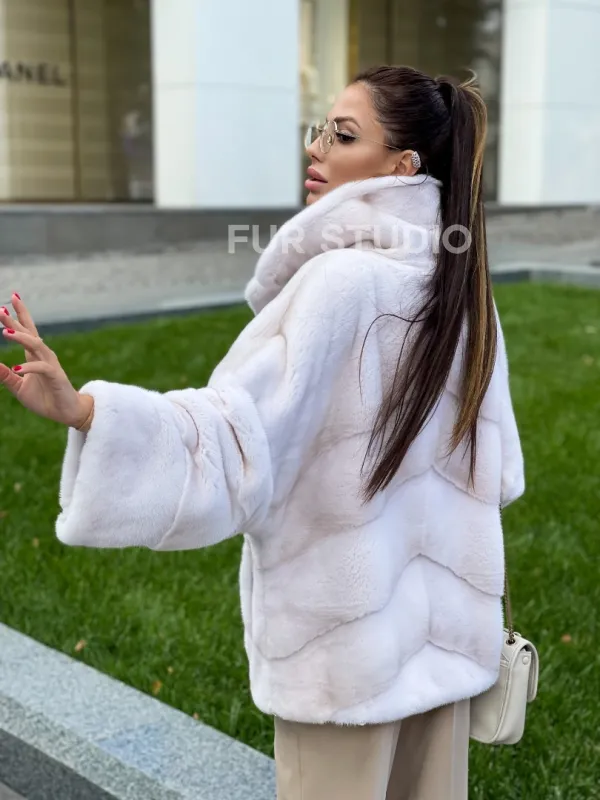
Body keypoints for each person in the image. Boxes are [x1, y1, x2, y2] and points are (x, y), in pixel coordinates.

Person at [0, 66, 524, 799]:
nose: (316, 147)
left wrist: (88, 412)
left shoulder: (340, 284)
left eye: (343, 135)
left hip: (343, 659)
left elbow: (234, 441)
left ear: (404, 165)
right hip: (442, 653)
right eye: (320, 129)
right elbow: (498, 474)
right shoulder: (462, 287)